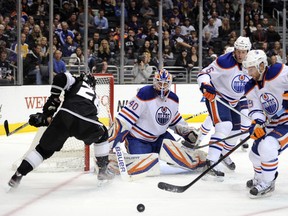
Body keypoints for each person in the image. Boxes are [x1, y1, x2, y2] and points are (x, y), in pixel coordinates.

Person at [8, 71, 114, 188]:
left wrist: (47, 112)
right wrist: (48, 114)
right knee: (102, 135)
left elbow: (61, 77)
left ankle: (18, 174)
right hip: (84, 121)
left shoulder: (76, 82)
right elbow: (81, 115)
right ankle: (103, 171)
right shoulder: (94, 96)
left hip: (64, 117)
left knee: (43, 150)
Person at [108, 69, 206, 175]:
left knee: (181, 156)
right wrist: (110, 143)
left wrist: (187, 133)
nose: (162, 87)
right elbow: (124, 121)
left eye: (165, 84)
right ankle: (110, 163)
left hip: (160, 138)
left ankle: (204, 160)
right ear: (155, 81)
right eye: (160, 83)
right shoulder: (144, 94)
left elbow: (175, 121)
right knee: (147, 167)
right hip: (138, 139)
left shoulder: (173, 99)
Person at [197, 36, 252, 179]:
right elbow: (203, 74)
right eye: (238, 51)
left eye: (243, 52)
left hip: (236, 100)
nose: (240, 55)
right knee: (225, 127)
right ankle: (211, 162)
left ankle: (222, 154)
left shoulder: (252, 63)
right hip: (218, 97)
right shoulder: (224, 61)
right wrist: (206, 86)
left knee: (235, 132)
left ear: (248, 51)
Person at [242, 49, 288, 198]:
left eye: (251, 68)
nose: (249, 73)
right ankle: (261, 177)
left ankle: (268, 182)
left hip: (286, 122)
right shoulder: (250, 86)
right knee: (254, 155)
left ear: (261, 65)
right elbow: (255, 108)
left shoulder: (278, 71)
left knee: (267, 146)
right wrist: (257, 123)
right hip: (272, 123)